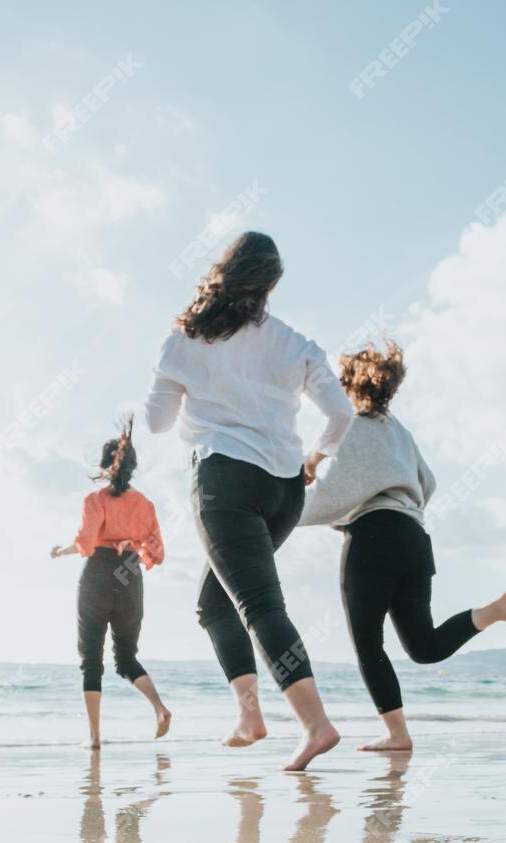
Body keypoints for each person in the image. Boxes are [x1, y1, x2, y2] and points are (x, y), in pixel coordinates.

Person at [143, 231, 350, 771]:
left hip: (225, 481)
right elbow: (341, 414)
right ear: (271, 285)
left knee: (259, 607)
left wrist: (177, 376)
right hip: (285, 490)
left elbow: (157, 423)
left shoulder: (185, 338)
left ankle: (315, 725)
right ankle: (250, 717)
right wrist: (315, 458)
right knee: (216, 604)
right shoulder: (295, 342)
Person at [299, 340, 506, 751]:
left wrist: (283, 513)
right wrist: (403, 503)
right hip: (414, 538)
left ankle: (397, 734)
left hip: (371, 539)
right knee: (424, 647)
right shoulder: (400, 432)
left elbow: (331, 494)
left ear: (348, 387)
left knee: (369, 645)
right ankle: (497, 609)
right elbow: (429, 481)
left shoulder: (351, 426)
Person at [51, 417, 172, 748]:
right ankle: (160, 709)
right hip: (130, 577)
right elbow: (157, 552)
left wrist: (59, 552)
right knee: (126, 658)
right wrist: (132, 549)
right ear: (132, 467)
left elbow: (85, 543)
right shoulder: (144, 504)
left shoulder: (96, 501)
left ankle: (94, 738)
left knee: (92, 658)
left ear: (106, 466)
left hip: (98, 576)